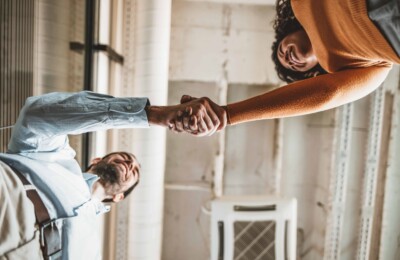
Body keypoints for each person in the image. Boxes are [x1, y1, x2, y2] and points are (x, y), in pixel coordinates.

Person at [0, 90, 211, 259]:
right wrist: (153, 115)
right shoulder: (54, 156)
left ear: (119, 197)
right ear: (96, 160)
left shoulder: (93, 252)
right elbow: (35, 114)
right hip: (7, 197)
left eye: (134, 171)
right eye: (124, 156)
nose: (130, 163)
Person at [172, 0, 400, 135]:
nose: (288, 59)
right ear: (312, 72)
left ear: (287, 32)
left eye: (281, 50)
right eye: (293, 68)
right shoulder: (351, 68)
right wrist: (227, 114)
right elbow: (329, 94)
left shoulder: (303, 4)